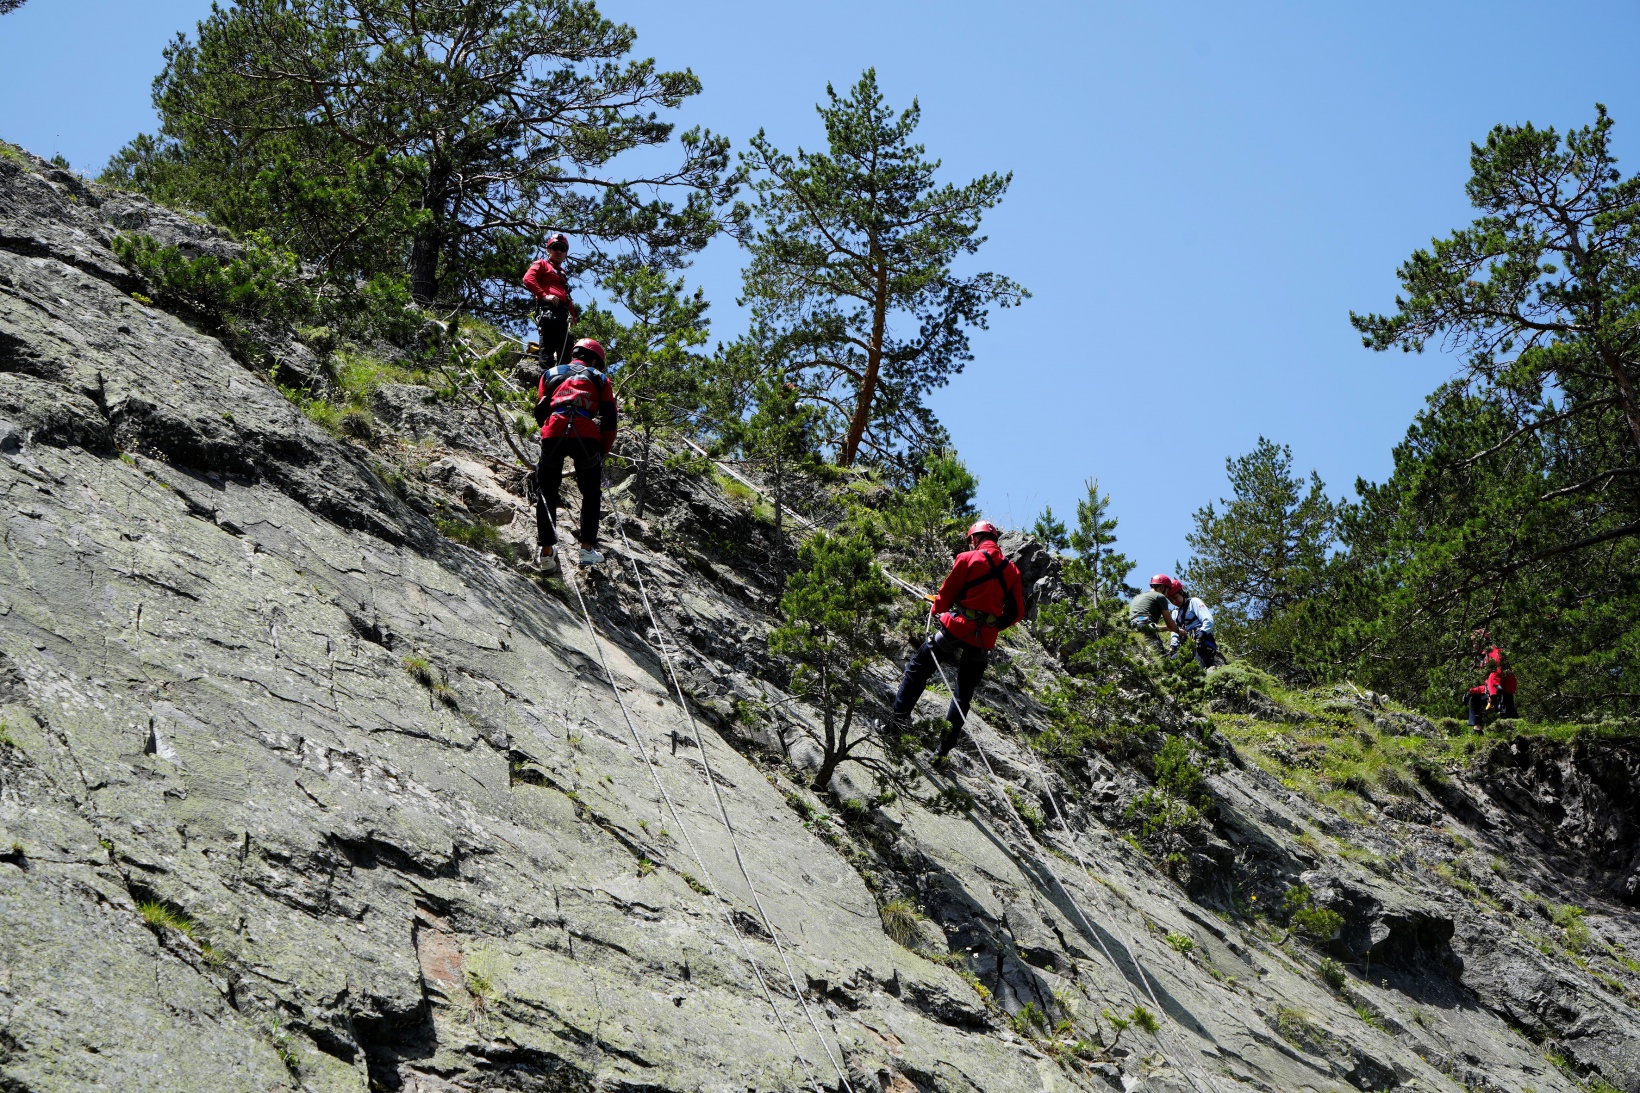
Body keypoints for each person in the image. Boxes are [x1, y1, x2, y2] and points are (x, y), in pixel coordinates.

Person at [891, 521, 1026, 757]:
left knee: (918, 668)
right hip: (983, 640)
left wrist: (937, 610)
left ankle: (897, 723)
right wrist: (993, 627)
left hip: (957, 629)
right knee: (963, 695)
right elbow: (1017, 612)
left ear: (975, 538)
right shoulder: (1012, 571)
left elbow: (946, 595)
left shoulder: (966, 558)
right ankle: (943, 750)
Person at [533, 338, 616, 567]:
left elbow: (540, 409)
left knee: (547, 491)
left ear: (575, 354)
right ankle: (586, 549)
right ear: (595, 361)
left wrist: (548, 431)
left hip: (554, 430)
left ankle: (547, 553)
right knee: (591, 493)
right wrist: (603, 450)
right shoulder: (600, 379)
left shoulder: (550, 373)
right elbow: (610, 419)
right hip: (586, 434)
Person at [523, 233, 578, 366]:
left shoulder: (562, 274)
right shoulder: (542, 264)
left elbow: (567, 298)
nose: (559, 251)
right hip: (550, 313)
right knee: (547, 350)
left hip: (564, 317)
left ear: (566, 253)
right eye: (555, 247)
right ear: (548, 250)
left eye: (562, 249)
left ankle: (563, 378)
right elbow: (528, 278)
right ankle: (545, 377)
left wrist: (574, 319)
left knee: (566, 354)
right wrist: (543, 295)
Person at [1164, 579, 1221, 668]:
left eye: (1175, 597)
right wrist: (1173, 646)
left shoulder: (1193, 602)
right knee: (1172, 664)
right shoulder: (1175, 613)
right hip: (1186, 645)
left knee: (1199, 665)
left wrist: (1202, 633)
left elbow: (1208, 619)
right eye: (1171, 600)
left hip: (1203, 642)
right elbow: (1175, 631)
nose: (1174, 602)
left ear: (1181, 592)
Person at [1129, 573, 1184, 652]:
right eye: (1167, 591)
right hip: (1145, 626)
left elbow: (1146, 624)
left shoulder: (1137, 597)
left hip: (1131, 629)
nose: (1166, 595)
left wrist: (1167, 629)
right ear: (1162, 588)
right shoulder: (1159, 596)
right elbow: (1170, 624)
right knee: (1161, 655)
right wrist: (1180, 631)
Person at [1467, 644, 1518, 726]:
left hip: (1501, 690)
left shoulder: (1493, 653)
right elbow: (1487, 683)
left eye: (1475, 643)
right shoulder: (1484, 657)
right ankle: (1477, 727)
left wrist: (1493, 695)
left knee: (1509, 713)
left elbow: (1495, 675)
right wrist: (1472, 691)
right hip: (1494, 690)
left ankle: (1518, 729)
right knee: (1474, 698)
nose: (1474, 646)